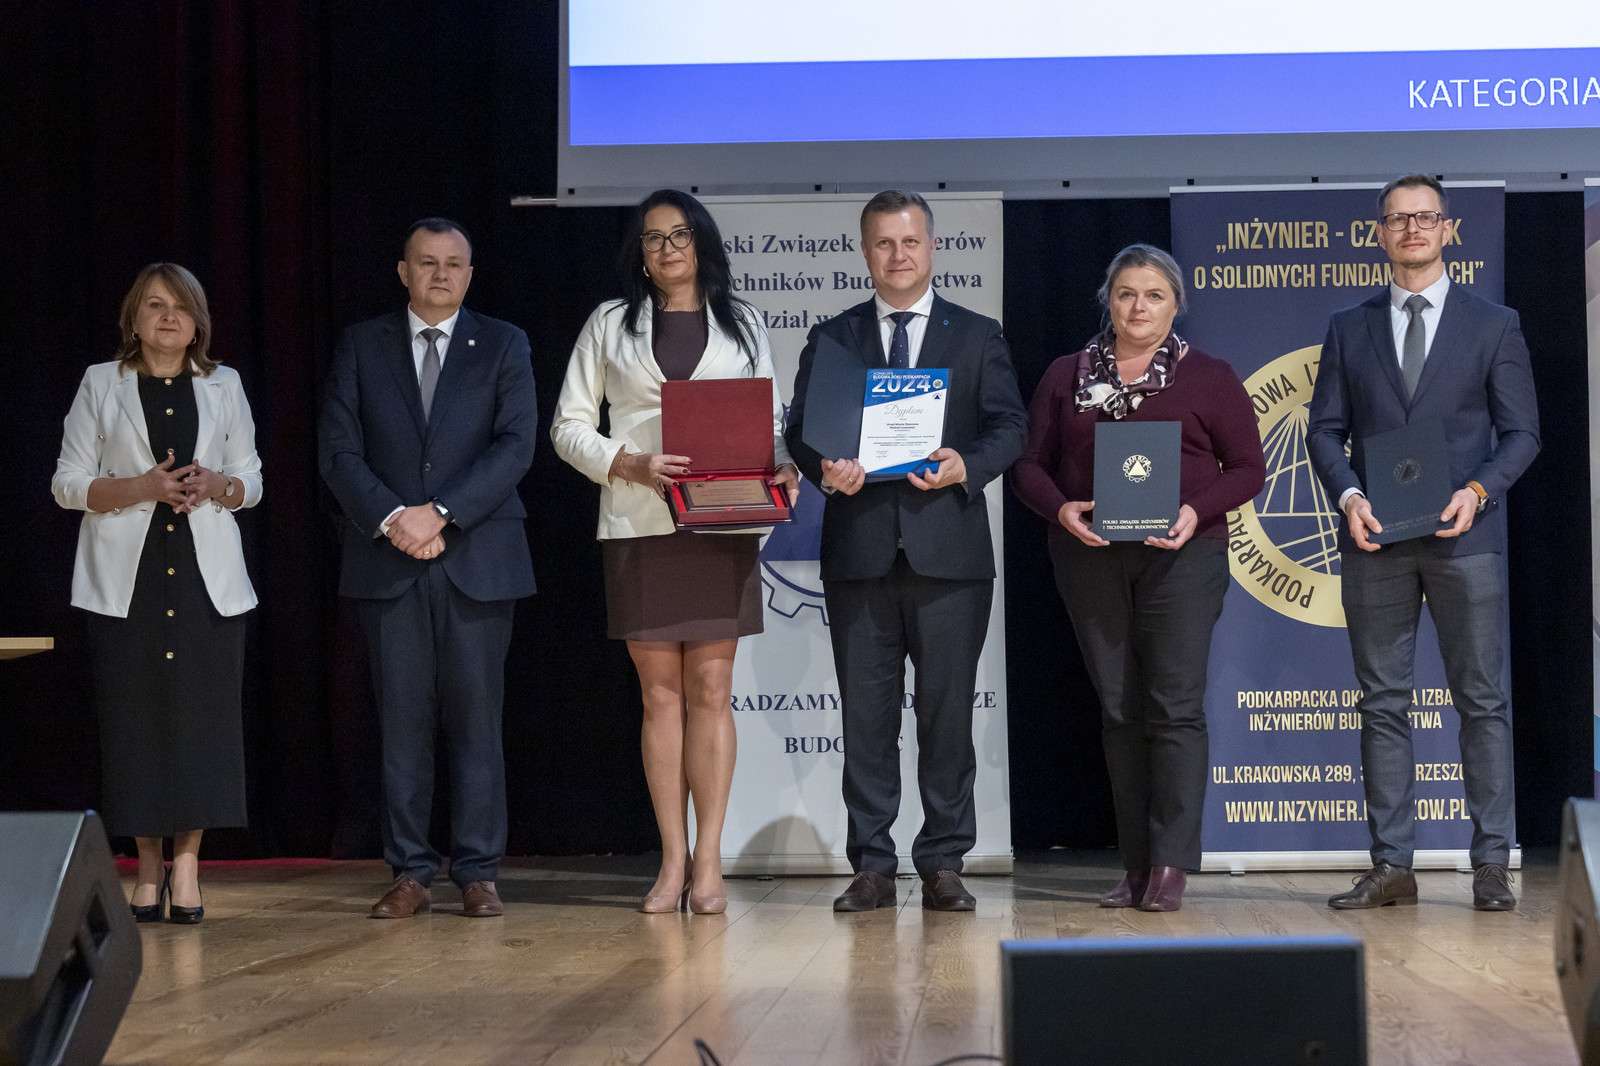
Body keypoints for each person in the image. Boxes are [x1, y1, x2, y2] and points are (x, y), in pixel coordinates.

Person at [551, 189, 798, 915]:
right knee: (659, 696)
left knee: (712, 691)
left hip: (722, 524)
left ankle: (711, 863)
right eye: (653, 238)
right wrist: (627, 463)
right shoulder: (609, 322)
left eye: (680, 234)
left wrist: (784, 462)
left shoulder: (744, 321)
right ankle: (672, 861)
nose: (667, 249)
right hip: (640, 524)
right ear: (640, 253)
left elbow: (771, 419)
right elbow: (567, 427)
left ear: (702, 242)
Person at [784, 190, 1026, 913]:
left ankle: (944, 862)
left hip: (949, 559)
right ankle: (872, 865)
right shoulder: (834, 337)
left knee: (946, 720)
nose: (898, 255)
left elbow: (1010, 428)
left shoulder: (976, 335)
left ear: (932, 247)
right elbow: (802, 430)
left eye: (910, 241)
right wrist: (824, 468)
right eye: (884, 243)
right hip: (860, 555)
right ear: (865, 252)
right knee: (867, 720)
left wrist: (964, 465)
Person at [1308, 175, 1539, 912]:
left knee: (1482, 701)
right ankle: (1392, 867)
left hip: (1465, 538)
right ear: (1379, 233)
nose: (1412, 228)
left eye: (1425, 217)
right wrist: (1349, 496)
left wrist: (1476, 491)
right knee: (1382, 703)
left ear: (1448, 229)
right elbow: (1324, 430)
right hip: (1375, 539)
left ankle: (1492, 865)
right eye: (1397, 219)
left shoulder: (1494, 324)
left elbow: (1522, 434)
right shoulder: (1349, 326)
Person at [1012, 245, 1265, 912]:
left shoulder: (1209, 376)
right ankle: (1135, 864)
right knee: (1120, 710)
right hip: (1091, 556)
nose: (1139, 307)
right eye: (1126, 293)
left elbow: (1248, 468)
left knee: (1174, 707)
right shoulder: (1067, 375)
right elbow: (1029, 465)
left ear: (1176, 304)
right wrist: (1061, 510)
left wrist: (1195, 510)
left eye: (1154, 294)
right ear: (1109, 301)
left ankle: (1171, 863)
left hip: (1182, 556)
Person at [319, 218, 538, 919]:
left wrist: (440, 513)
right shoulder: (362, 344)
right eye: (427, 262)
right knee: (401, 724)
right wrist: (395, 519)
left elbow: (515, 445)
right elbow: (338, 451)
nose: (441, 274)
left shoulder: (504, 343)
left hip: (478, 558)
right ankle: (410, 871)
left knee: (477, 723)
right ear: (403, 271)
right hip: (388, 562)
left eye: (453, 263)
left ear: (469, 275)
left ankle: (478, 872)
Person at [53, 263, 262, 925]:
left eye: (181, 307)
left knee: (201, 723)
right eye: (154, 305)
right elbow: (66, 483)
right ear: (133, 319)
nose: (169, 317)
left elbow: (252, 480)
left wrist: (220, 486)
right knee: (135, 723)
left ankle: (189, 865)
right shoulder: (101, 382)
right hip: (127, 580)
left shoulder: (224, 383)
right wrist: (139, 488)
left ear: (197, 322)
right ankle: (147, 867)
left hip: (205, 579)